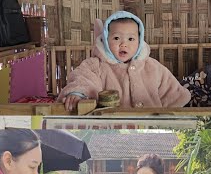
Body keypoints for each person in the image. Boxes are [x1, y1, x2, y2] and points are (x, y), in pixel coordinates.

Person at [57, 11, 191, 111]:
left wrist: (171, 116)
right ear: (105, 40)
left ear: (139, 42)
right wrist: (78, 92)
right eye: (116, 38)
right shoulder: (96, 65)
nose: (123, 44)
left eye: (131, 39)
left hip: (150, 125)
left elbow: (170, 91)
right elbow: (83, 78)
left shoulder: (152, 67)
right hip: (112, 127)